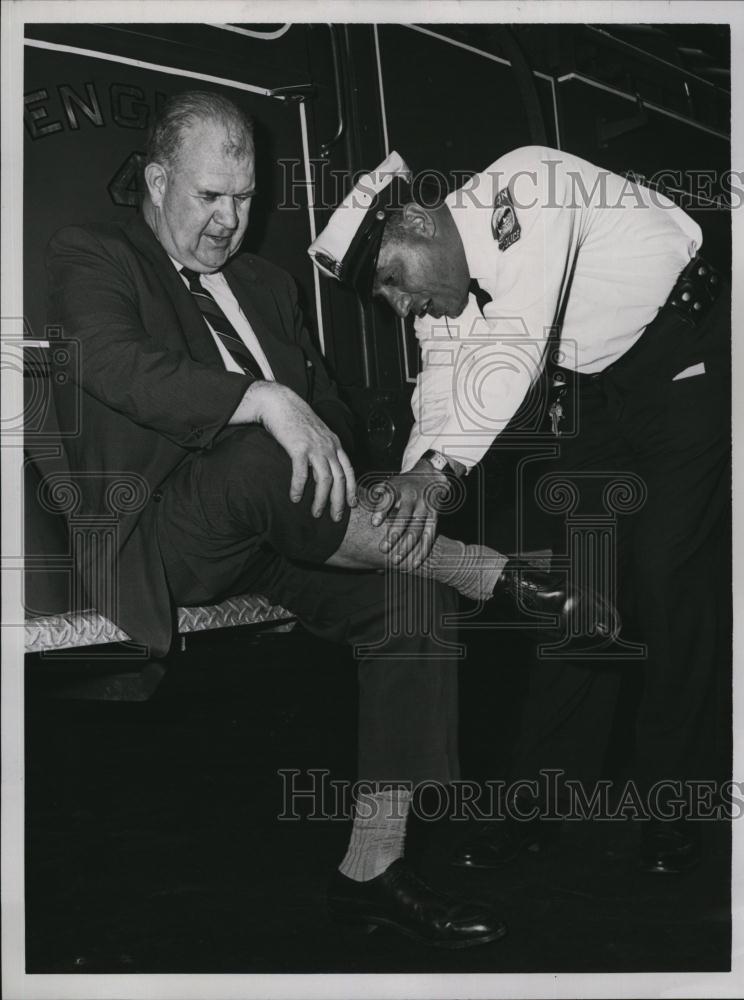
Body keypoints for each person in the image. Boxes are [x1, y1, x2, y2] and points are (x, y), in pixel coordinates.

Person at [48, 92, 590, 948]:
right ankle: (481, 568)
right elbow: (116, 366)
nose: (232, 221)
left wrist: (333, 446)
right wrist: (263, 400)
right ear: (156, 181)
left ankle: (373, 872)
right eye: (208, 198)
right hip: (167, 537)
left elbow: (331, 417)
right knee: (269, 444)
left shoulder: (267, 284)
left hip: (288, 531)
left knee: (407, 604)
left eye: (245, 197)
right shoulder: (95, 256)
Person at [309, 145, 730, 875]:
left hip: (683, 360)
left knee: (670, 579)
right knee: (581, 595)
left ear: (415, 219)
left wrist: (440, 474)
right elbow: (442, 380)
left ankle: (675, 806)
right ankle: (542, 805)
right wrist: (412, 479)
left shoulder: (525, 185)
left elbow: (515, 347)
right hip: (602, 391)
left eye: (392, 281)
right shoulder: (445, 284)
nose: (399, 305)